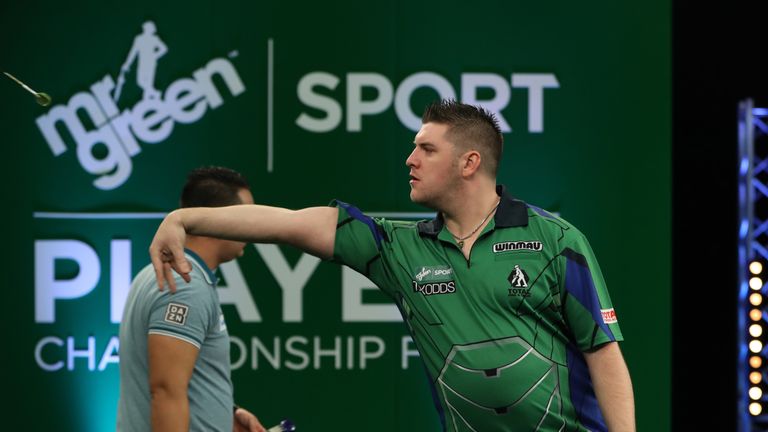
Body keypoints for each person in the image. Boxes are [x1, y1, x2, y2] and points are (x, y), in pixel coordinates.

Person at [149, 100, 635, 431]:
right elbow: (288, 223)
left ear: (469, 163)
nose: (410, 159)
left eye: (426, 148)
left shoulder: (555, 238)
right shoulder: (396, 247)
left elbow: (603, 353)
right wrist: (183, 217)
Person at [117, 166, 266, 432]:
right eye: (246, 216)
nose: (252, 228)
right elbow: (165, 392)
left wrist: (225, 415)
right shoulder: (186, 285)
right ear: (215, 220)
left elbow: (178, 383)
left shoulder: (164, 274)